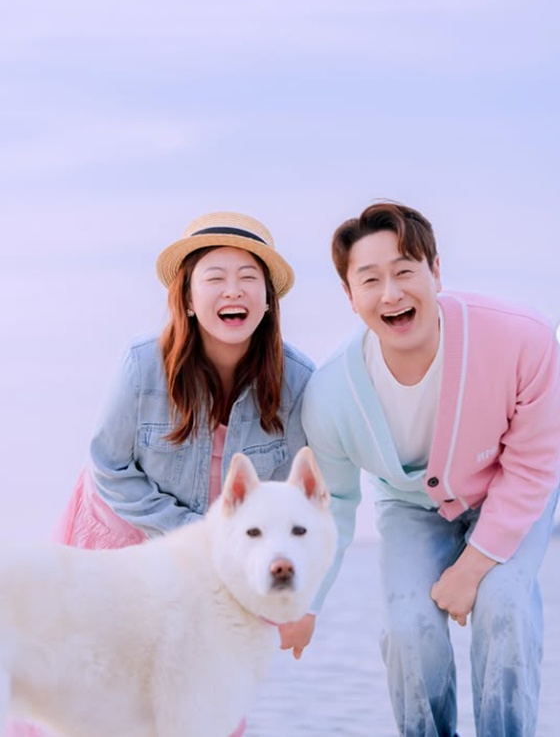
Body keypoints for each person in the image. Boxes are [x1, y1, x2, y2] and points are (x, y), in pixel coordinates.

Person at [5, 211, 314, 737]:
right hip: (116, 538)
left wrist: (291, 599)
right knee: (86, 692)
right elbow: (108, 464)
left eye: (248, 278)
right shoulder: (142, 363)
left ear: (268, 301)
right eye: (214, 278)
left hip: (216, 564)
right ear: (188, 298)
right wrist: (196, 535)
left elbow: (289, 502)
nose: (232, 290)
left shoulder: (297, 382)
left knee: (207, 698)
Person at [285, 201, 560, 736]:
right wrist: (307, 602)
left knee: (504, 606)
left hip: (511, 487)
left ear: (436, 271)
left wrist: (471, 569)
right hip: (410, 507)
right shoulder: (331, 395)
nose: (391, 293)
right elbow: (334, 506)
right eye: (370, 279)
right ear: (349, 294)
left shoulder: (522, 339)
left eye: (405, 271)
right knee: (408, 628)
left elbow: (535, 464)